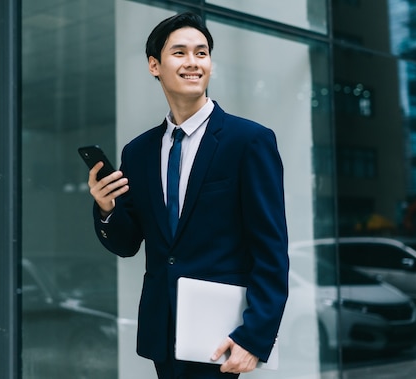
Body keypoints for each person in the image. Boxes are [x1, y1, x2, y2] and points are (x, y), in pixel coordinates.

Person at [87, 11, 289, 378]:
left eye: (202, 53)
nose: (193, 62)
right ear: (154, 65)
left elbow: (271, 251)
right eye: (179, 53)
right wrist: (106, 208)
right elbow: (129, 243)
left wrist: (255, 337)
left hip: (222, 334)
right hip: (161, 331)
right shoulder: (138, 152)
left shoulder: (249, 142)